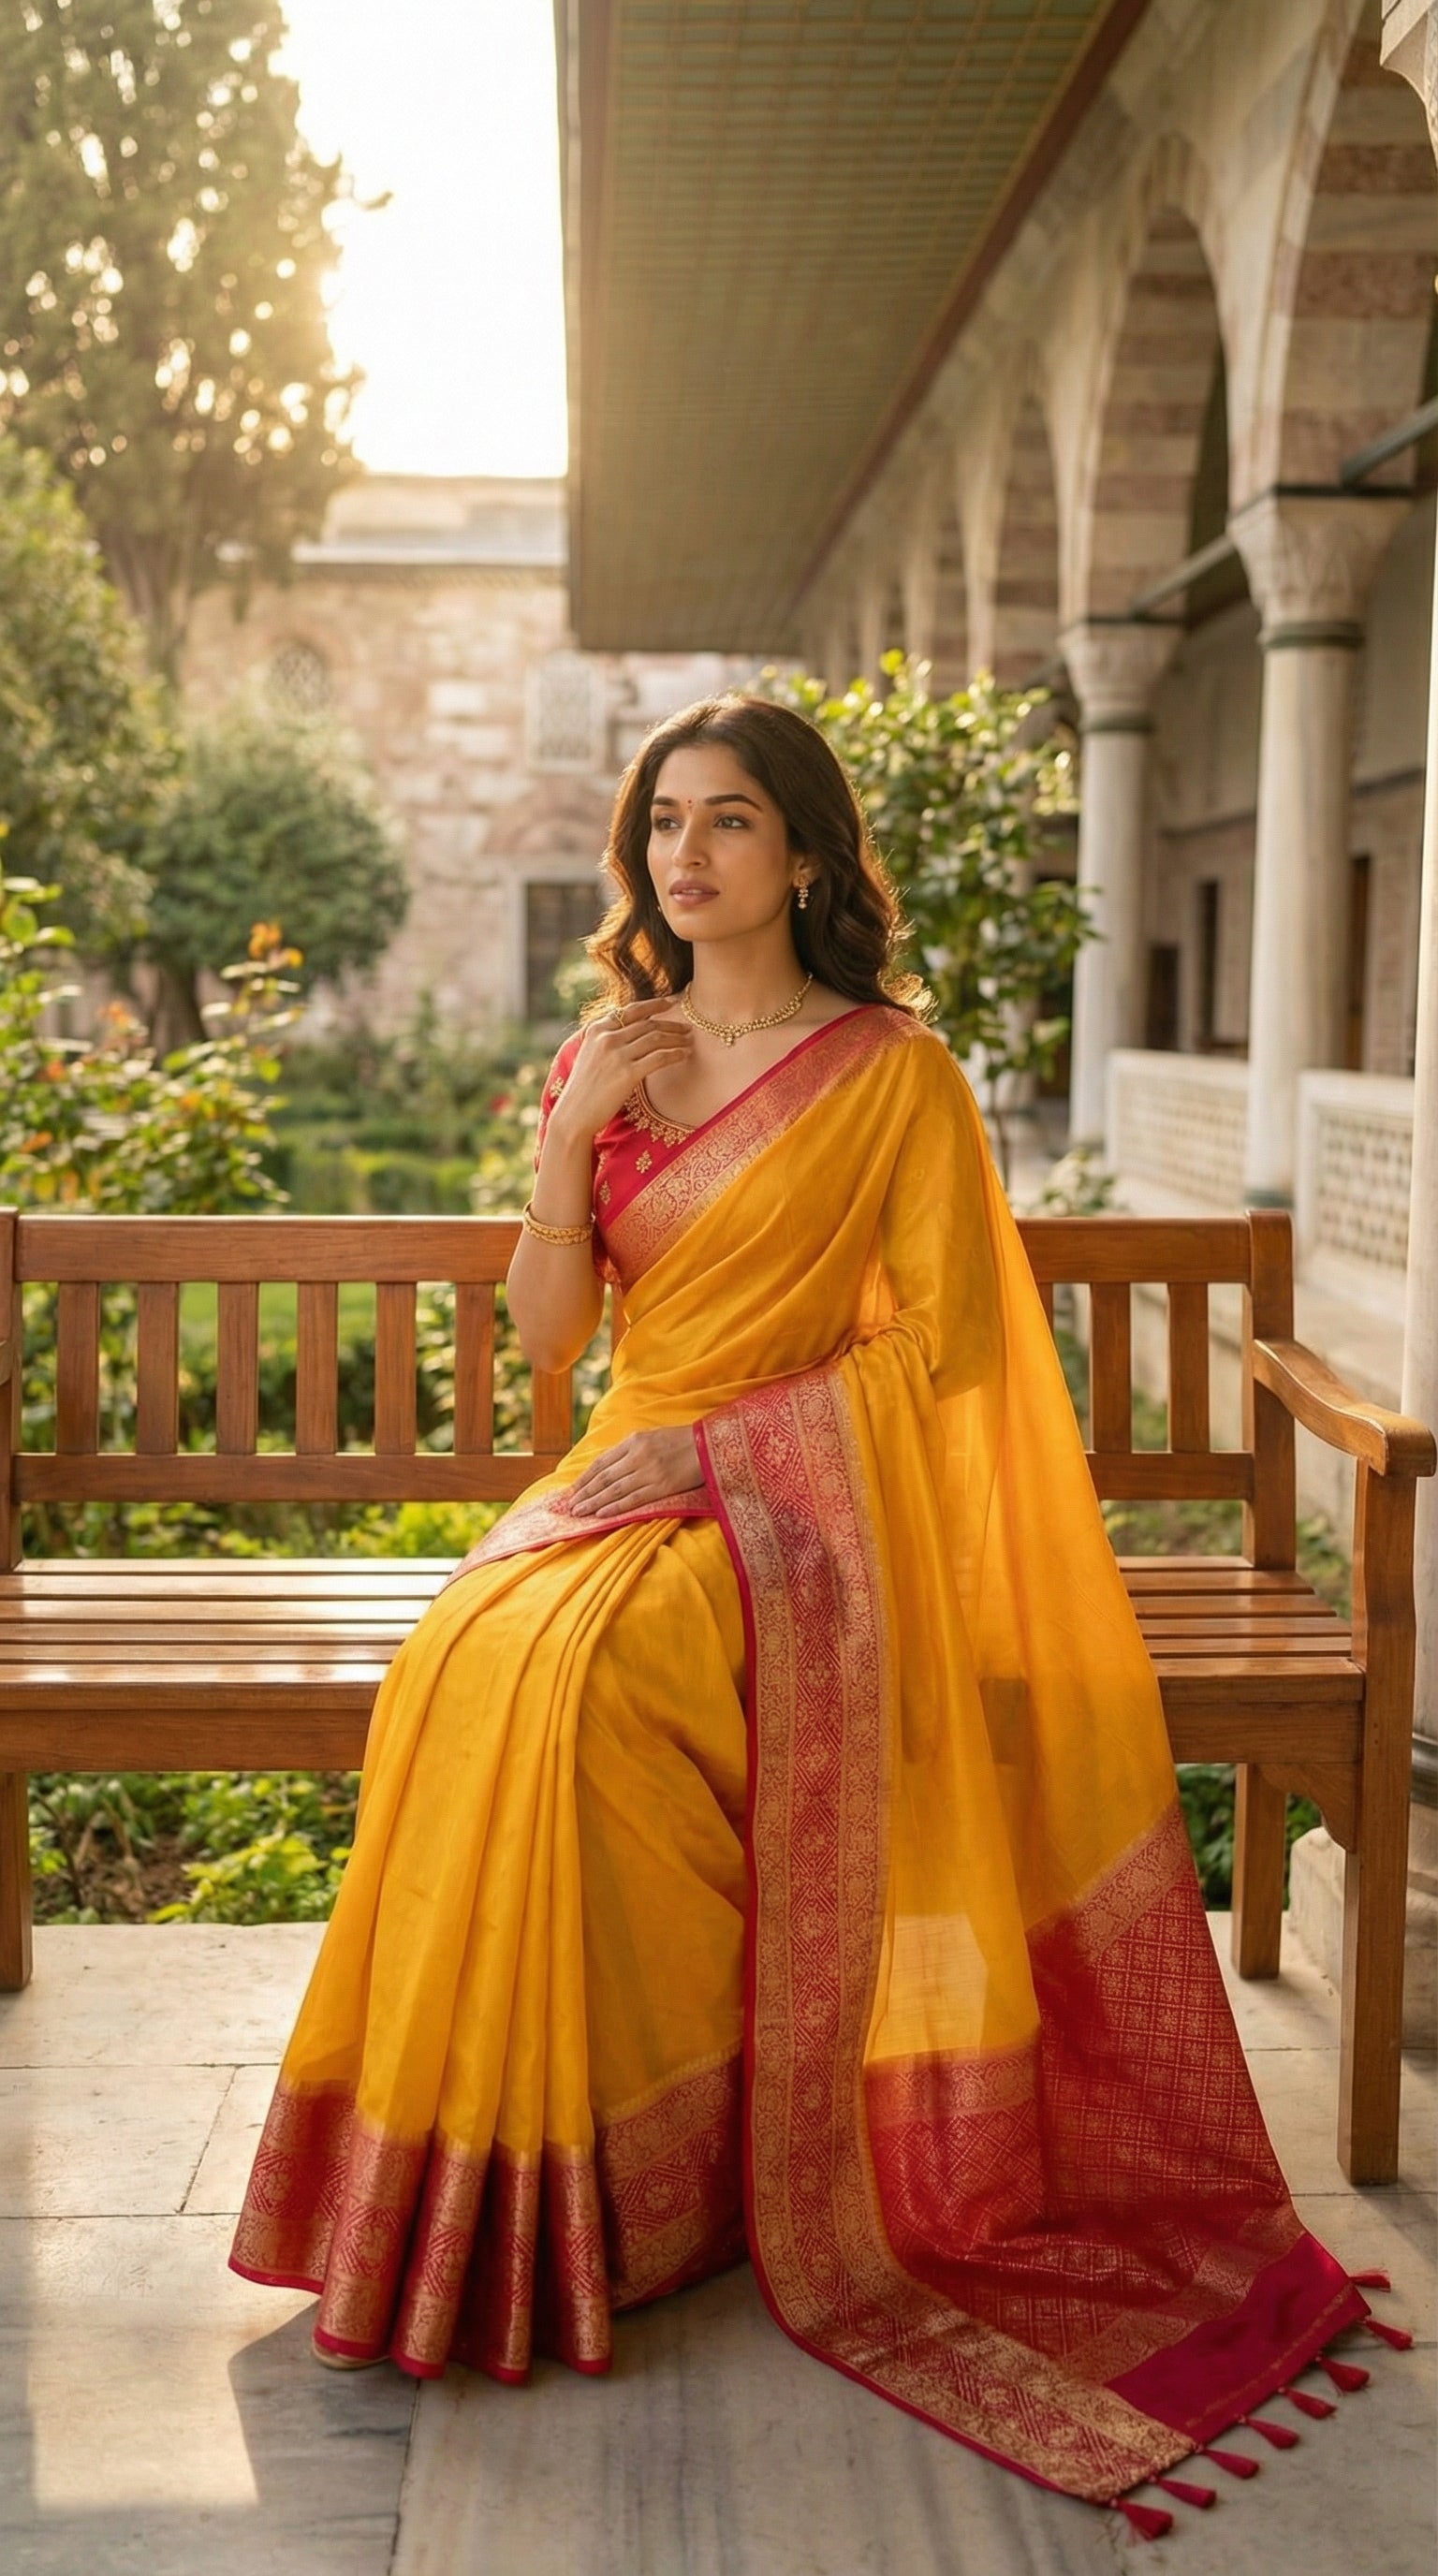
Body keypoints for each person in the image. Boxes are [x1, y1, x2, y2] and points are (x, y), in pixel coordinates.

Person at [231, 695, 1372, 2526]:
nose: (687, 852)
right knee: (477, 1657)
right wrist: (563, 1147)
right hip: (619, 1472)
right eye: (665, 820)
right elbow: (550, 1342)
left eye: (732, 819)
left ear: (810, 855)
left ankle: (661, 2184)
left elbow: (943, 1344)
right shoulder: (614, 1054)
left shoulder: (891, 1073)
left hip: (800, 1518)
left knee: (591, 1682)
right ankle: (526, 2178)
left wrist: (715, 1469)